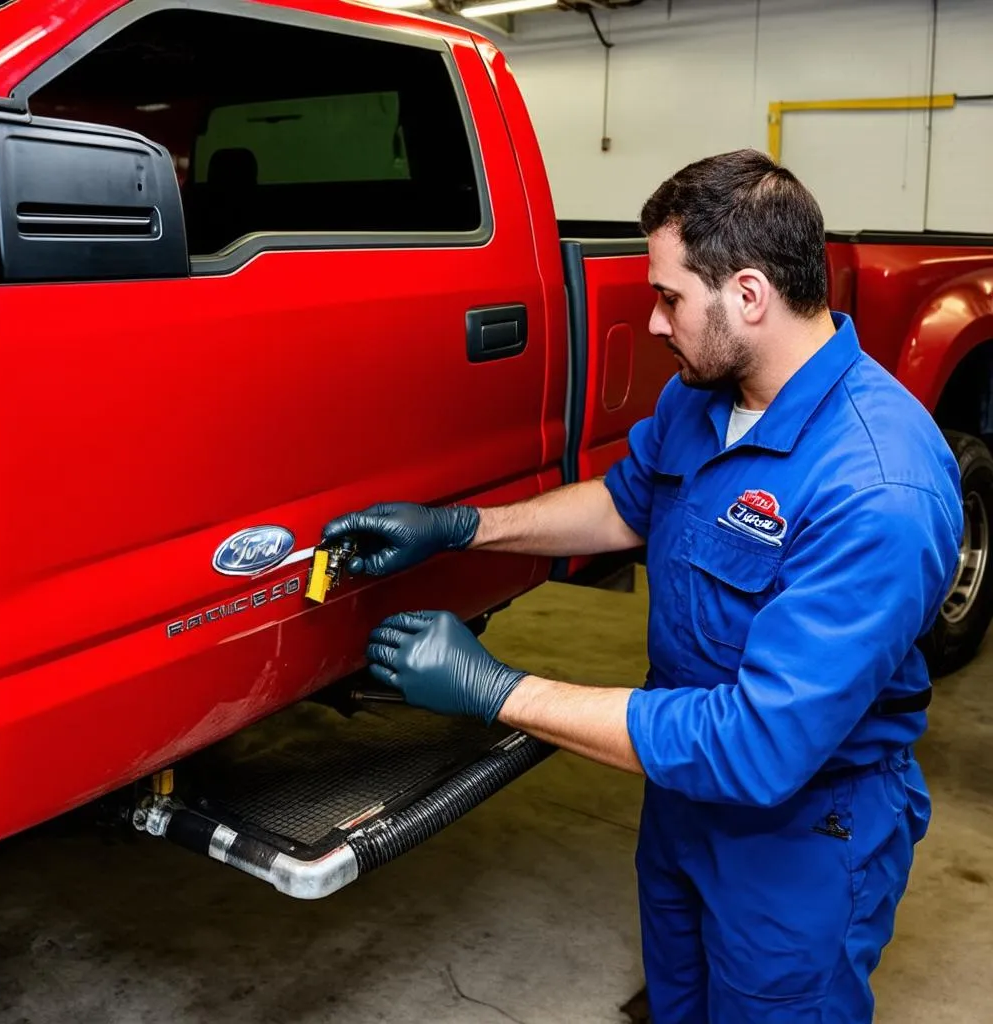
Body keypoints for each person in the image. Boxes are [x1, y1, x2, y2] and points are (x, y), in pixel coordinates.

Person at [320, 149, 963, 1023]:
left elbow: (759, 746)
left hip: (801, 832)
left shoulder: (878, 488)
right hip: (679, 789)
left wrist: (498, 690)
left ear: (747, 294)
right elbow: (628, 507)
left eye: (669, 297)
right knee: (677, 1001)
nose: (655, 324)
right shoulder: (706, 394)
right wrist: (463, 526)